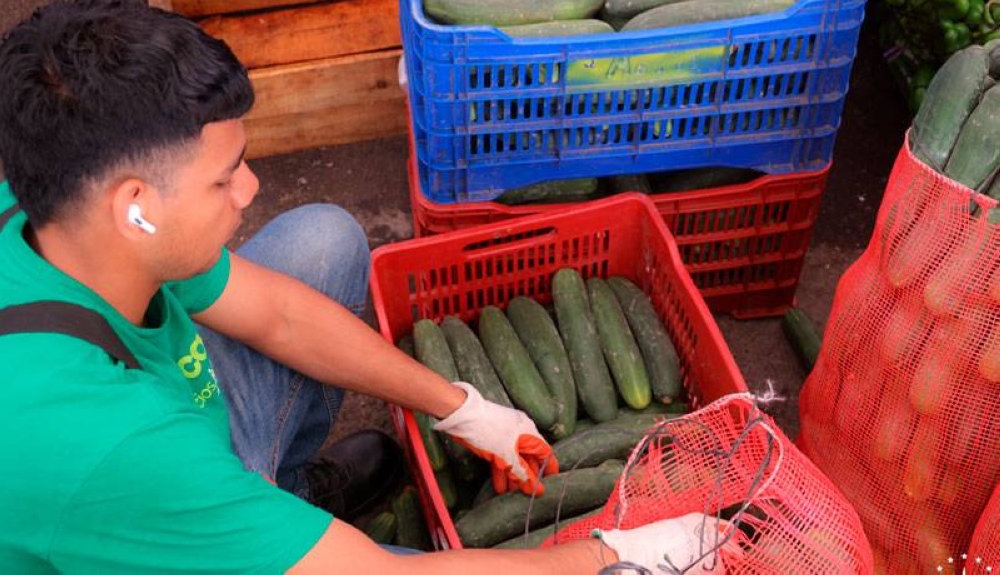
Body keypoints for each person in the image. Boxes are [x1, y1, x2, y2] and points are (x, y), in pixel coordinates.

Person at [0, 1, 732, 573]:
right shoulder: (113, 449)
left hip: (160, 437)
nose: (251, 189)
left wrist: (464, 408)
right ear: (136, 206)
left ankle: (273, 497)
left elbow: (279, 315)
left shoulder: (50, 206)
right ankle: (256, 524)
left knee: (322, 241)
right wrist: (617, 554)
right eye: (225, 178)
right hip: (137, 504)